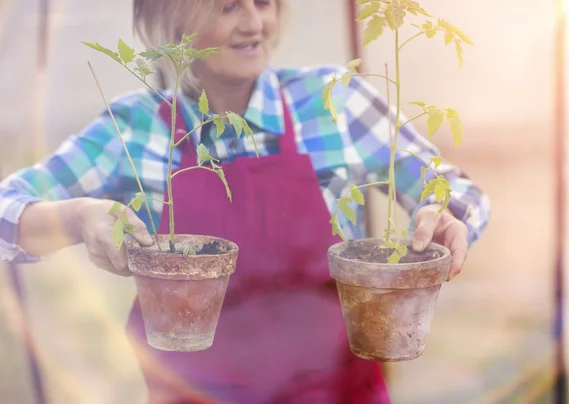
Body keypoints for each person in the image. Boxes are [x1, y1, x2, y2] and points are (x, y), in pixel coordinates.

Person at [0, 0, 490, 402]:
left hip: (338, 393)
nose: (255, 23)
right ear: (174, 19)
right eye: (228, 6)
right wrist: (76, 215)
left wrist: (445, 215)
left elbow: (451, 190)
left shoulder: (333, 102)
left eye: (264, 2)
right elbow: (8, 208)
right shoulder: (136, 129)